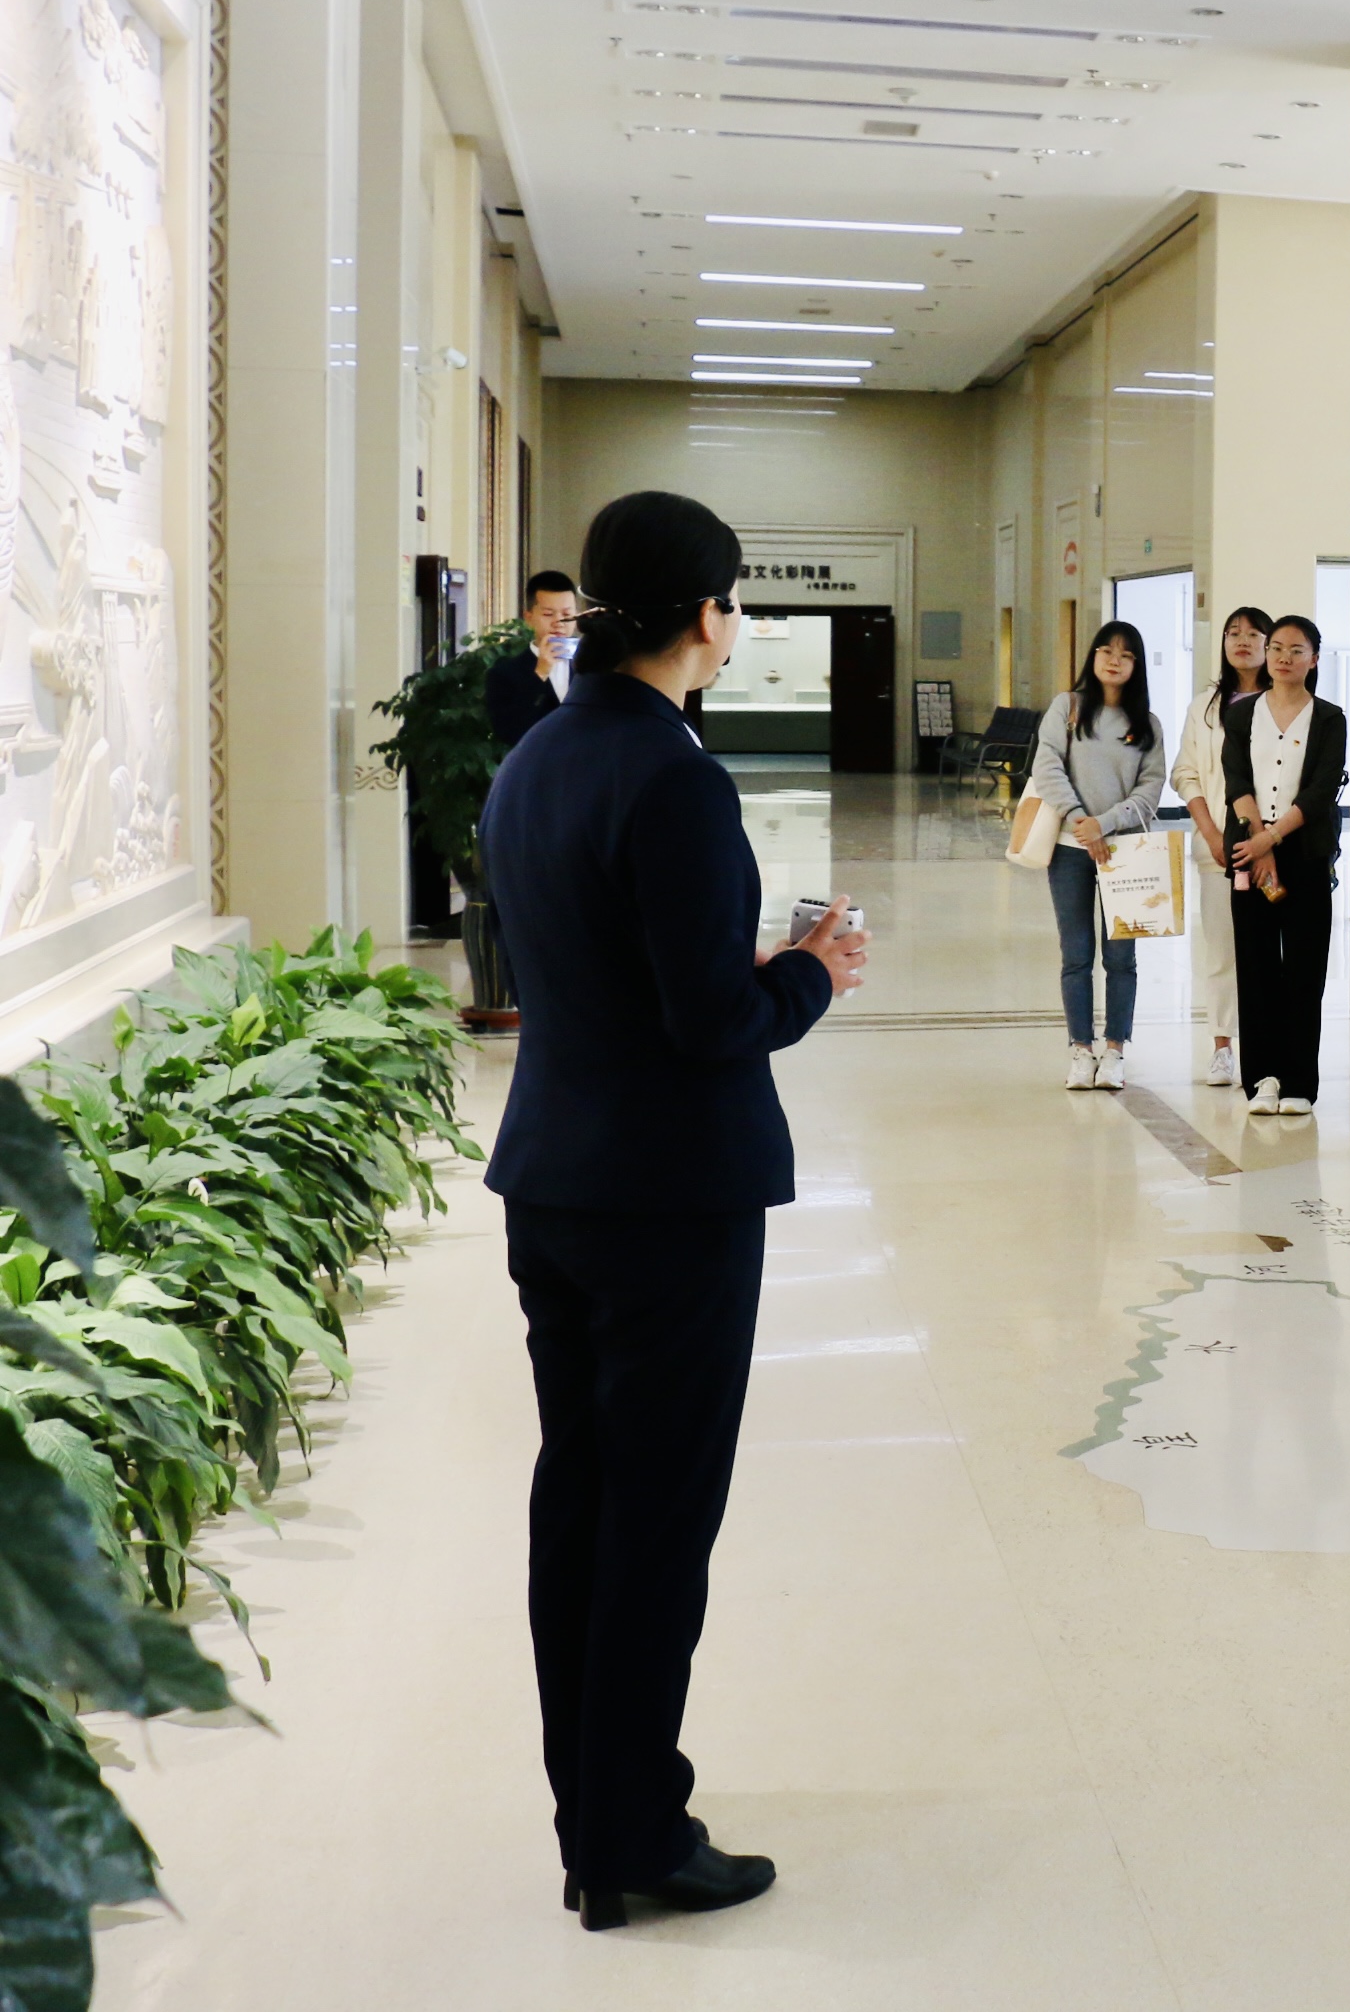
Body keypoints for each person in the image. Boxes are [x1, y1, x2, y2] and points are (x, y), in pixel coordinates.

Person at [480, 490, 868, 1927]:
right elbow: (712, 1020)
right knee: (655, 1522)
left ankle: (593, 1821)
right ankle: (638, 1829)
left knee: (579, 1500)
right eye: (734, 597)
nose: (737, 620)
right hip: (669, 1203)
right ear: (707, 614)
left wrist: (735, 968)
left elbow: (609, 968)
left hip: (555, 1179)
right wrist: (812, 972)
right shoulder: (675, 774)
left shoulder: (537, 756)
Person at [1030, 620, 1171, 1091]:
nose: (1115, 660)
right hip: (1070, 849)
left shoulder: (1147, 724)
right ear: (1093, 656)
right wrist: (1079, 820)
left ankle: (1114, 1051)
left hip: (1125, 853)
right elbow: (1047, 767)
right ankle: (1080, 1050)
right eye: (1107, 651)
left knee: (1121, 958)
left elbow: (1151, 789)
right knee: (1076, 955)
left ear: (1136, 666)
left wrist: (1104, 824)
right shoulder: (1067, 708)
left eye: (1126, 655)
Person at [1222, 616, 1346, 1114]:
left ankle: (1298, 1082)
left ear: (1314, 659)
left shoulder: (1329, 718)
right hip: (1248, 852)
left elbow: (1321, 791)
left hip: (1305, 852)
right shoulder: (1241, 714)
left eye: (1297, 650)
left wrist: (1272, 839)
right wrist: (1258, 842)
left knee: (1304, 969)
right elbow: (1235, 780)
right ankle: (1262, 1079)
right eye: (1276, 647)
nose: (1284, 657)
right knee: (1255, 969)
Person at [1171, 606, 1277, 1089]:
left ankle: (1268, 1047)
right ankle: (1222, 1046)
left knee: (1270, 952)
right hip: (1219, 850)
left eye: (1254, 634)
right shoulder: (1205, 707)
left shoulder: (1285, 703)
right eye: (1234, 633)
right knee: (1222, 952)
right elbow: (1185, 773)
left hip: (1276, 847)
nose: (1242, 641)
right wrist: (1212, 835)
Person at [488, 569, 579, 752]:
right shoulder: (504, 673)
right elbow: (509, 732)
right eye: (548, 614)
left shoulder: (596, 666)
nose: (559, 622)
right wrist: (540, 674)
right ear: (529, 618)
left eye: (567, 614)